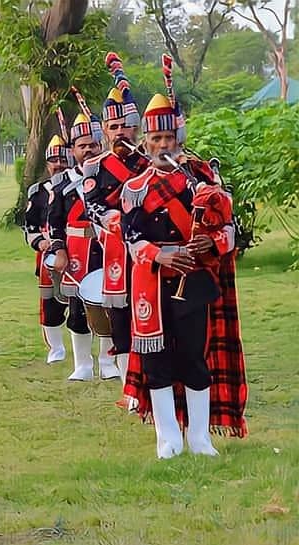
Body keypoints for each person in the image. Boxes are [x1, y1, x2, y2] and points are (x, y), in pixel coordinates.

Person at [120, 57, 247, 457]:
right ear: (145, 142)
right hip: (152, 285)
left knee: (194, 358)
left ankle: (199, 437)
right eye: (155, 140)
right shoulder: (135, 188)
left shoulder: (203, 180)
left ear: (179, 138)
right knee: (157, 363)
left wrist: (212, 244)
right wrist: (160, 256)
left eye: (168, 138)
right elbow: (131, 238)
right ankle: (167, 439)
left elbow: (230, 229)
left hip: (193, 282)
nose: (162, 146)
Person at [81, 52, 150, 388]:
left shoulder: (152, 162)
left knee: (153, 315)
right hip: (115, 254)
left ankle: (156, 379)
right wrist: (109, 217)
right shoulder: (95, 167)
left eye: (125, 125)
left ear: (135, 127)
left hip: (151, 253)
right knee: (121, 320)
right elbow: (91, 204)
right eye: (114, 126)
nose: (120, 132)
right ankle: (129, 385)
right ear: (105, 130)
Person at [46, 103, 108, 381]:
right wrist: (58, 250)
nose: (89, 150)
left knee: (110, 307)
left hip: (107, 250)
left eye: (93, 144)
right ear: (74, 150)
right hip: (77, 253)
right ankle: (82, 364)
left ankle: (108, 362)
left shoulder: (111, 178)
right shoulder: (61, 185)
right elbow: (54, 223)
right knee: (77, 310)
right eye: (83, 145)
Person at [24, 133, 70, 363]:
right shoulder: (38, 192)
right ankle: (56, 348)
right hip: (48, 255)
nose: (59, 165)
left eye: (63, 159)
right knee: (49, 302)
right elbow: (29, 227)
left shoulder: (77, 187)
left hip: (78, 251)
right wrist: (41, 243)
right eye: (54, 160)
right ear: (47, 163)